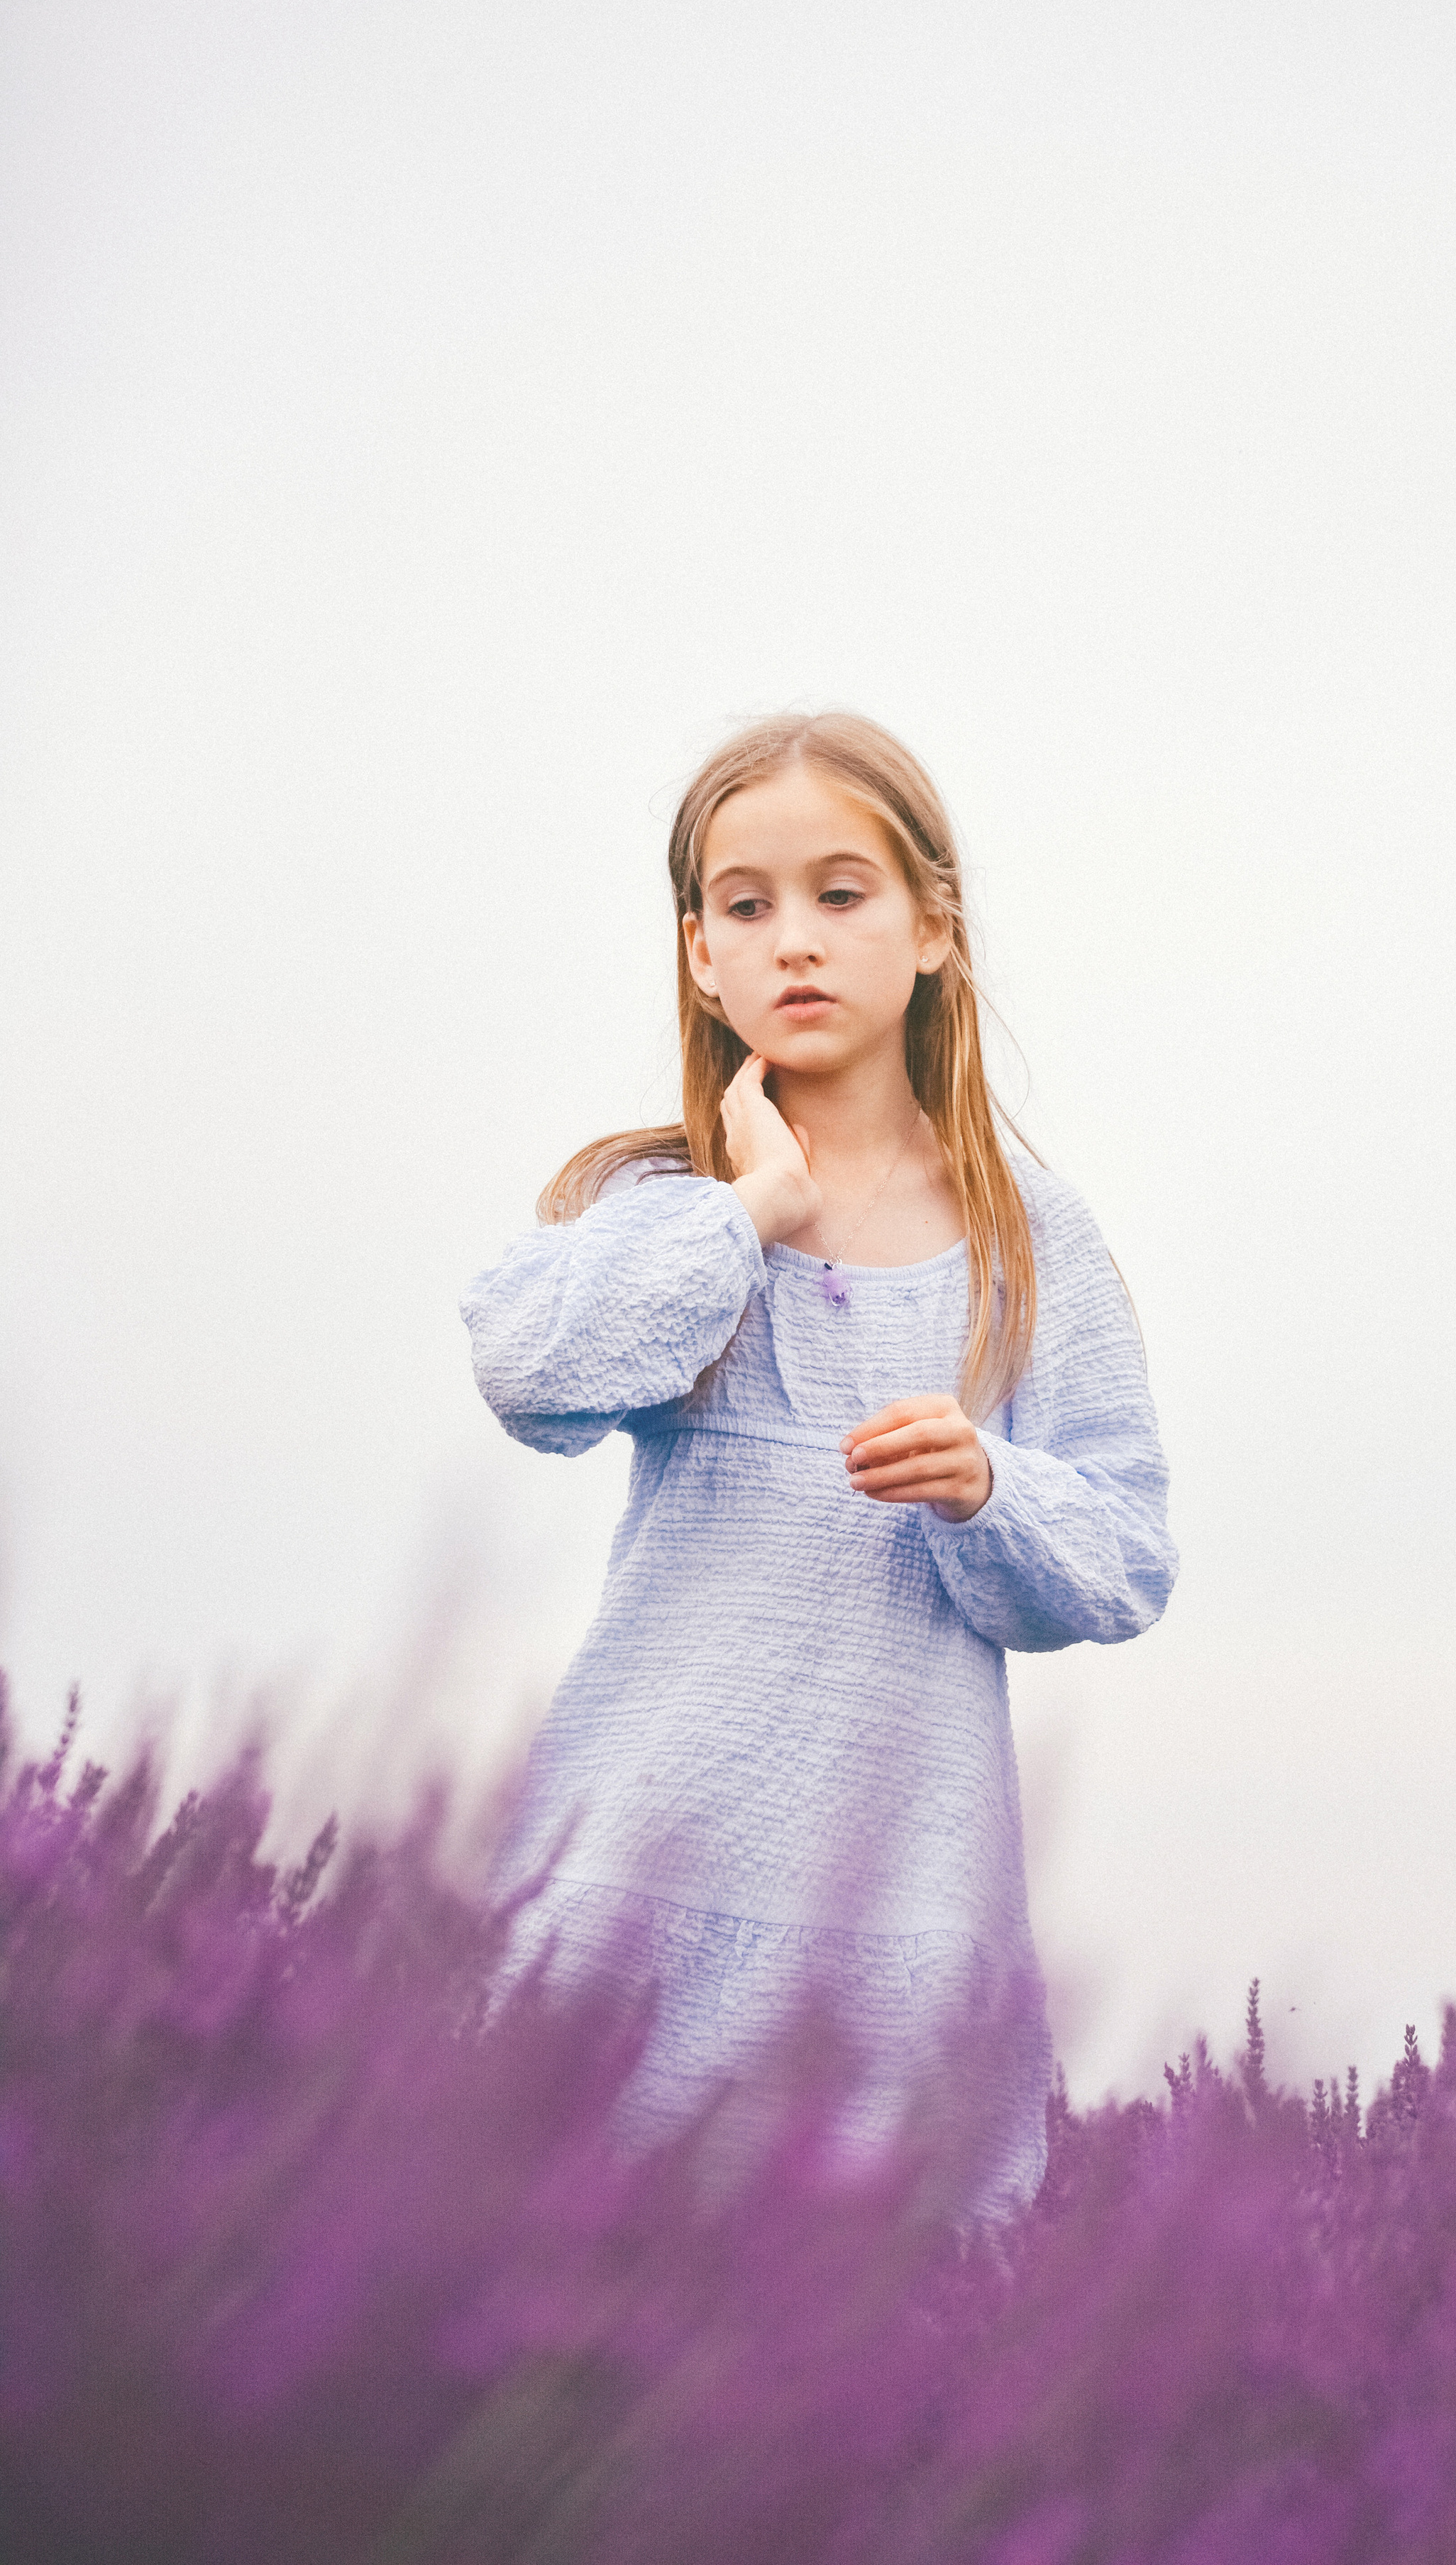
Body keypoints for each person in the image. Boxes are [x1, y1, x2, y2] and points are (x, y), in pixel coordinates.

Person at [461, 710, 1177, 2210]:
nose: (793, 939)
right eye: (745, 903)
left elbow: (1120, 1559)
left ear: (932, 927)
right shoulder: (662, 1204)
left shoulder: (1026, 1245)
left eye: (840, 895)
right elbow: (533, 1377)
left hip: (898, 1902)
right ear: (698, 954)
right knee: (572, 2306)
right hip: (633, 1868)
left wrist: (989, 1484)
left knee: (876, 2335)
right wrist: (746, 1214)